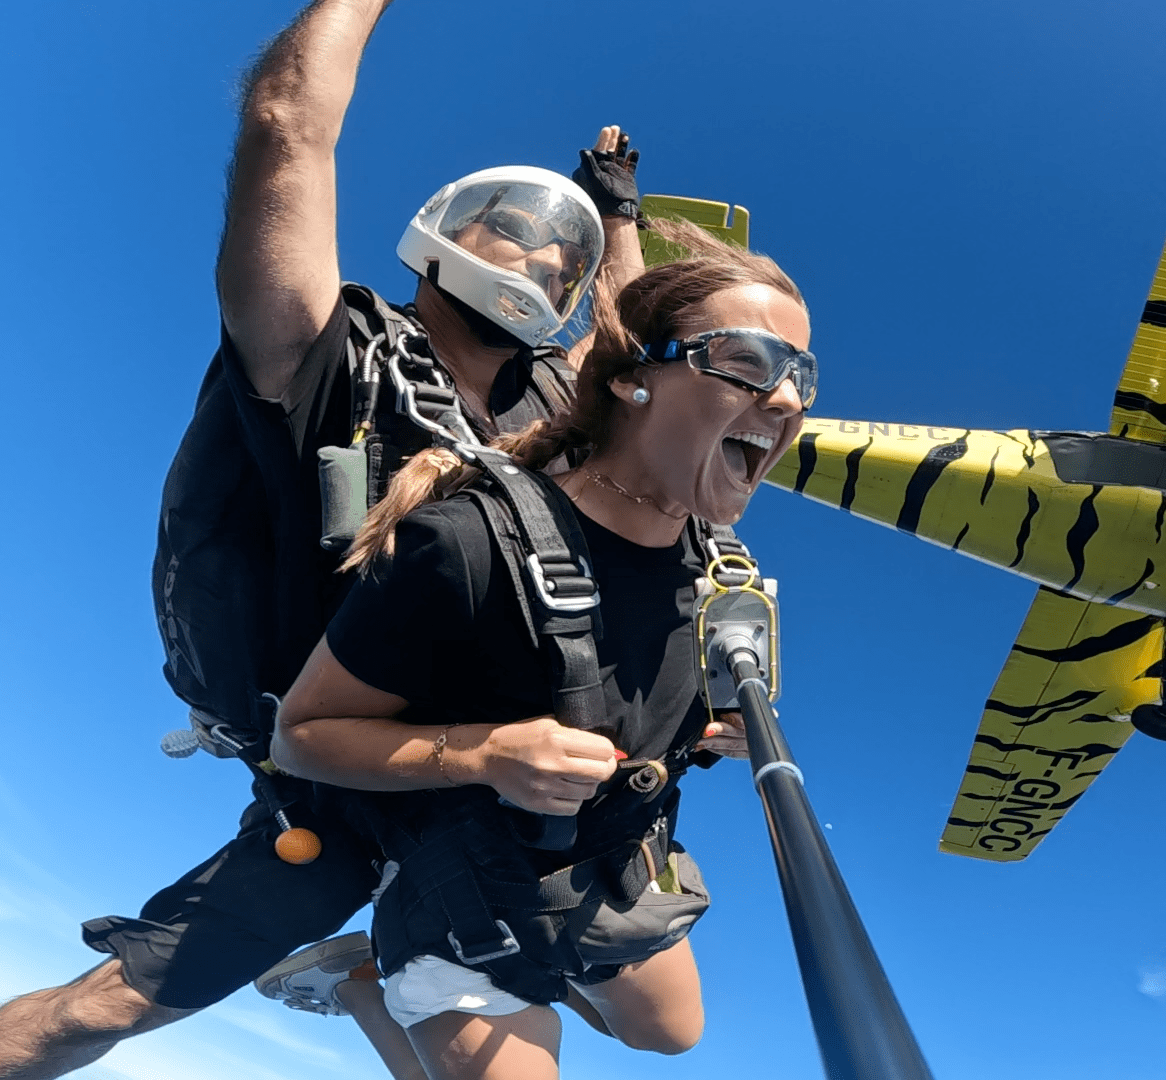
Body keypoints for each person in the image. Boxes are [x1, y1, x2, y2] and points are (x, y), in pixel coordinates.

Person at [0, 0, 650, 1075]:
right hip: (333, 782)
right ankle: (362, 968)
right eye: (515, 231)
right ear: (446, 231)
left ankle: (362, 975)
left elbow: (625, 358)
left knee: (583, 1030)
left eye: (561, 255)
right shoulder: (322, 357)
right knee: (114, 1006)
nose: (542, 256)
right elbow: (284, 122)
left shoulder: (547, 424)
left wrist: (618, 215)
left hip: (491, 782)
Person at [270, 220, 815, 1078]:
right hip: (466, 875)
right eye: (747, 365)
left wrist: (707, 734)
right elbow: (299, 735)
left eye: (800, 378)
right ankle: (380, 984)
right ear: (636, 379)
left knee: (671, 1033)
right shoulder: (465, 546)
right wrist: (484, 753)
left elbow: (635, 692)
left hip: (603, 865)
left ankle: (454, 985)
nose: (784, 401)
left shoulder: (715, 566)